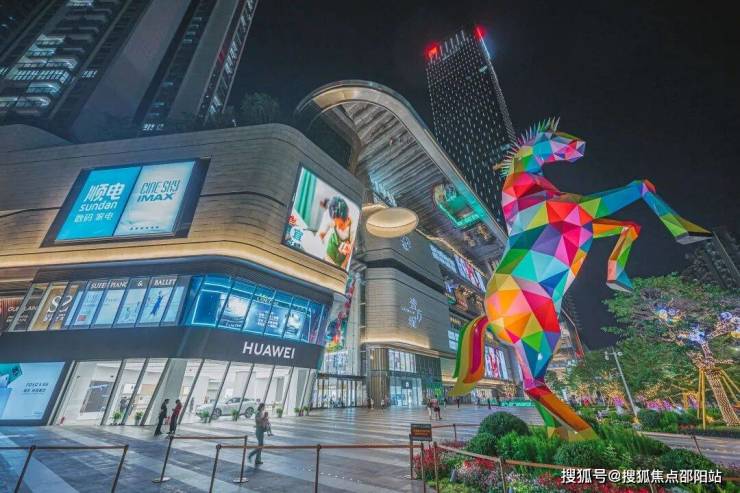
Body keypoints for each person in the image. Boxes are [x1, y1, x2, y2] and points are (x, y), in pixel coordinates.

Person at [318, 196, 354, 270]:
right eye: (335, 223)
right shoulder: (331, 219)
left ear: (347, 219)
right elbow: (321, 235)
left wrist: (343, 267)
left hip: (338, 267)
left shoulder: (353, 229)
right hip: (326, 259)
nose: (338, 227)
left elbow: (349, 253)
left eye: (341, 225)